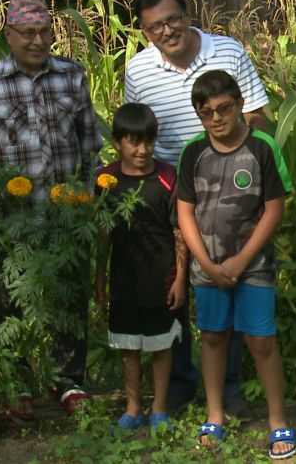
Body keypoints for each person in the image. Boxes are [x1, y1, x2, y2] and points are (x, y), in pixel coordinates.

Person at [124, 0, 269, 413]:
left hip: (230, 188)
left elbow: (256, 117)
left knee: (227, 281)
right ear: (145, 32)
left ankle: (228, 386)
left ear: (188, 13)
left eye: (172, 19)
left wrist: (251, 179)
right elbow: (140, 130)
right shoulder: (138, 70)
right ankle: (182, 381)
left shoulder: (228, 51)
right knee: (175, 283)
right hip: (171, 189)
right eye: (154, 27)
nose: (166, 31)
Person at [0, 0, 103, 417]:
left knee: (68, 296)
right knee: (11, 297)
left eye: (44, 31)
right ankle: (19, 382)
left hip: (66, 210)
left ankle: (69, 381)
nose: (38, 40)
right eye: (28, 33)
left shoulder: (72, 76)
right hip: (13, 215)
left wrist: (91, 198)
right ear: (9, 34)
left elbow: (89, 144)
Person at [176, 70, 296, 460]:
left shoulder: (262, 148)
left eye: (223, 108)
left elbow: (275, 208)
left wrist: (242, 260)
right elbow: (185, 212)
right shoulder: (193, 153)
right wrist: (207, 265)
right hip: (206, 267)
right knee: (212, 337)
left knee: (261, 340)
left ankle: (278, 420)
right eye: (206, 111)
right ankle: (215, 416)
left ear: (240, 105)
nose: (216, 117)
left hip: (255, 266)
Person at [93, 103, 188, 432]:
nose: (142, 150)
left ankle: (159, 408)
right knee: (128, 346)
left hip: (161, 277)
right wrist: (100, 278)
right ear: (117, 143)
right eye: (133, 142)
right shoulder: (106, 180)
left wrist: (180, 278)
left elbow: (180, 233)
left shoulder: (167, 177)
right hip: (123, 277)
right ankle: (133, 407)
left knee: (161, 346)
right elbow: (102, 235)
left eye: (148, 141)